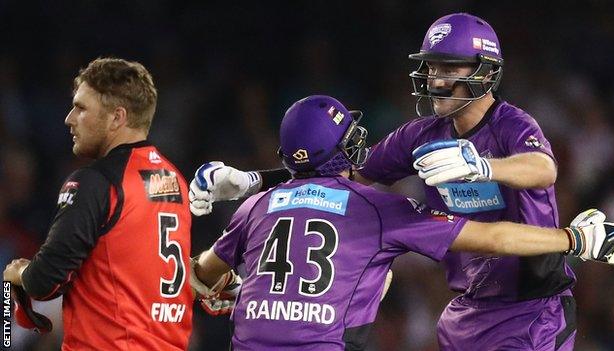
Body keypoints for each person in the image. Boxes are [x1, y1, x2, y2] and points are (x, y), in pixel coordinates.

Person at [189, 13, 583, 350]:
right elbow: (342, 171)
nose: (435, 78)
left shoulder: (512, 125)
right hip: (468, 307)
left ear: (487, 71)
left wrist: (484, 167)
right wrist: (254, 180)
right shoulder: (420, 135)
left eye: (449, 68)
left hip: (532, 306)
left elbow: (542, 168)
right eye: (432, 67)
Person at [3, 58, 193, 350]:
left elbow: (45, 281)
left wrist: (18, 273)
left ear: (117, 117)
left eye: (80, 108)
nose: (69, 118)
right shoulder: (176, 181)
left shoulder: (96, 182)